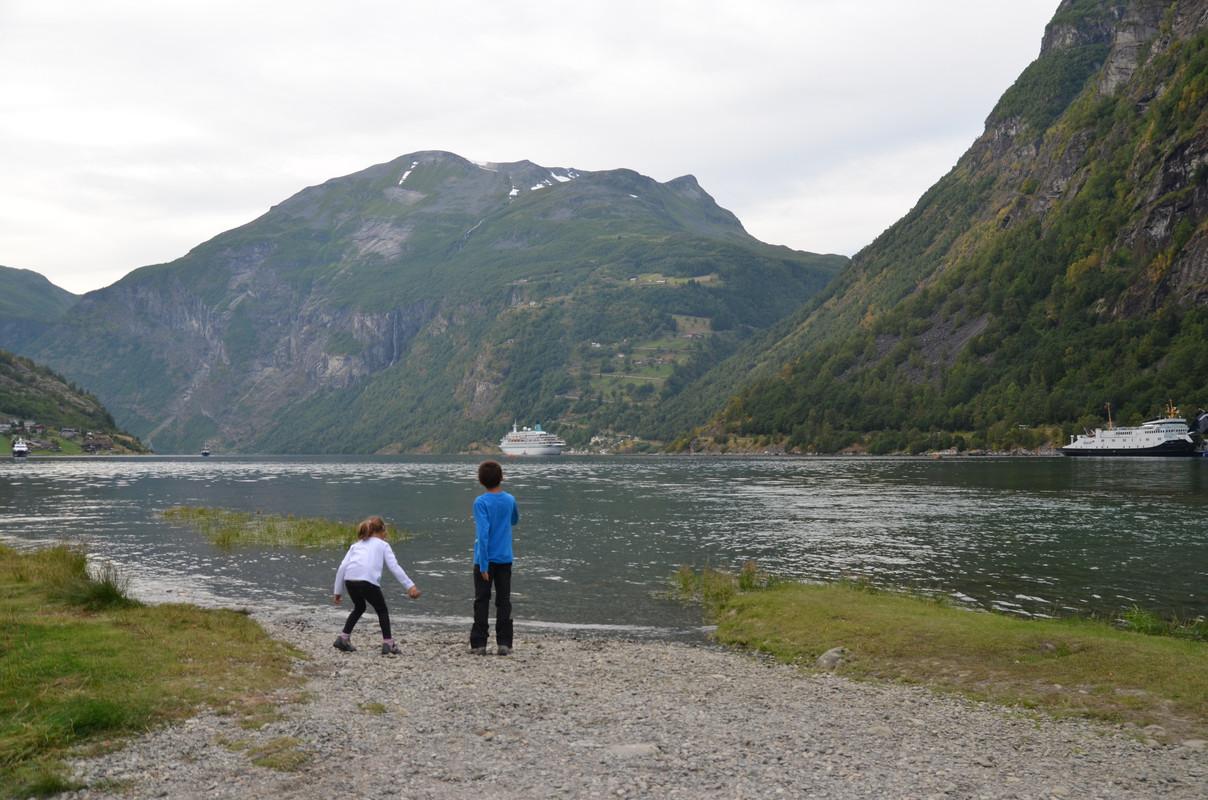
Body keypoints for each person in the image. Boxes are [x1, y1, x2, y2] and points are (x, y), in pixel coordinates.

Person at [333, 516, 420, 655]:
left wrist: (337, 591)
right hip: (367, 582)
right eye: (386, 531)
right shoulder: (383, 545)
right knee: (382, 610)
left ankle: (343, 638)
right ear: (382, 530)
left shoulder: (356, 545)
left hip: (350, 581)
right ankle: (388, 644)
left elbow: (342, 567)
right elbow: (394, 567)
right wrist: (410, 586)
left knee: (359, 607)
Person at [471, 459, 519, 656]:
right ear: (502, 477)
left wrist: (483, 565)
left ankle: (479, 644)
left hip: (484, 560)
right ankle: (504, 643)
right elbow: (514, 520)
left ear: (480, 481)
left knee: (482, 600)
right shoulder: (510, 500)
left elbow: (483, 534)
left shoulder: (480, 502)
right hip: (505, 558)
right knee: (504, 600)